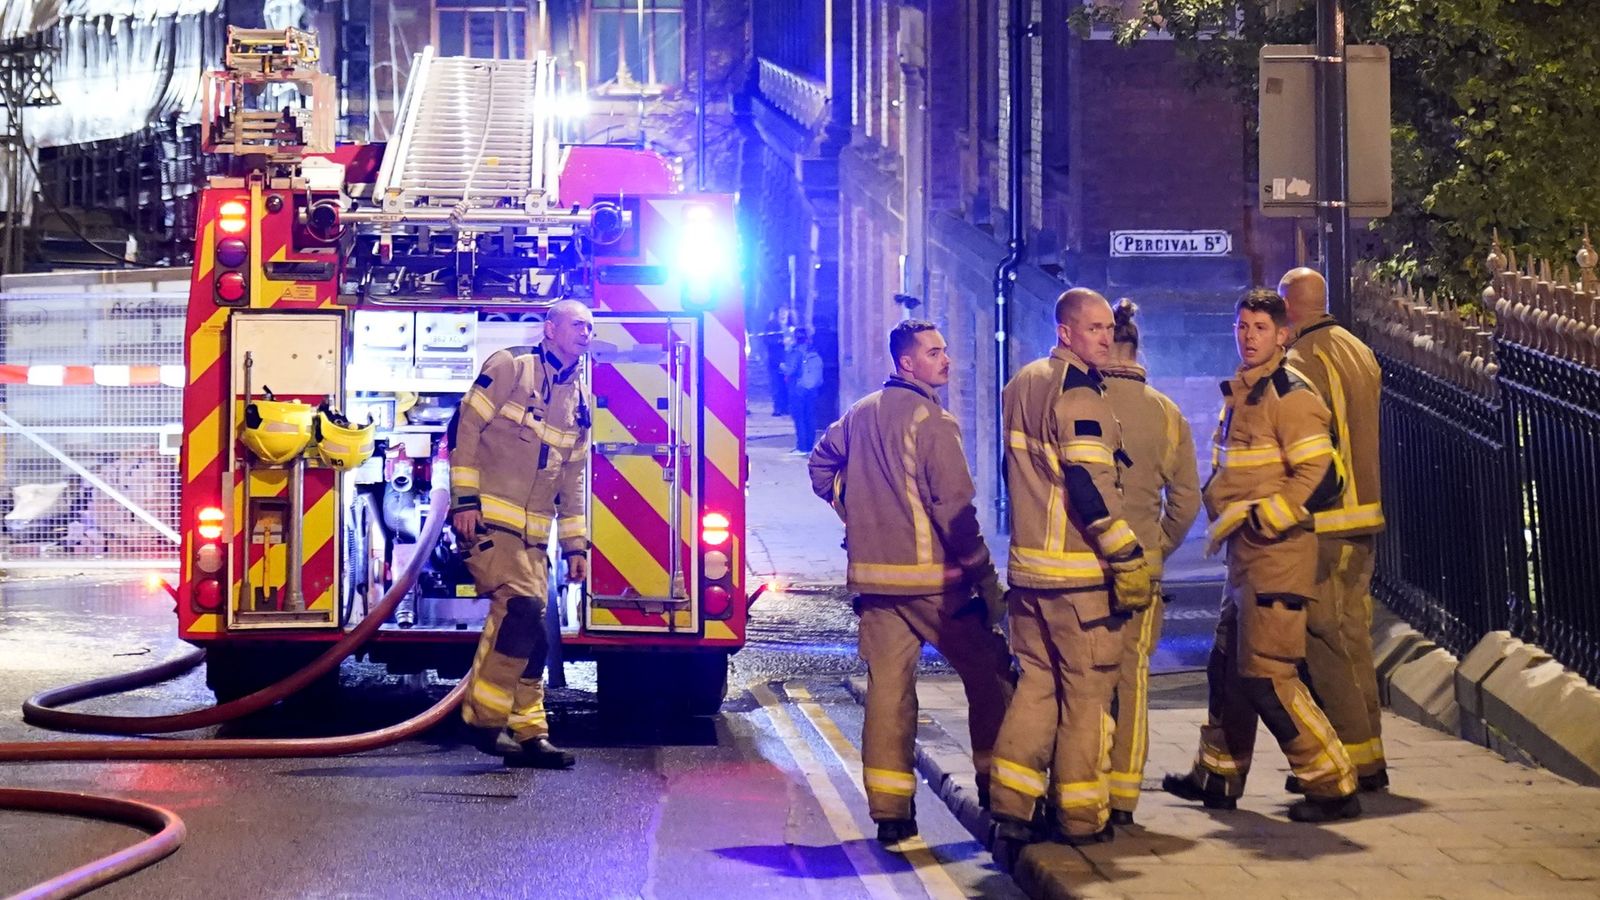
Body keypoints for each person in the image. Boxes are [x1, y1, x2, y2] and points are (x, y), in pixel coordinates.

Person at [808, 319, 1013, 846]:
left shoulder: (861, 412)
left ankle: (891, 813)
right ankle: (997, 788)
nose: (946, 360)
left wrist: (852, 510)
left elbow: (820, 466)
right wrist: (984, 576)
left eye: (945, 350)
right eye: (934, 352)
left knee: (888, 691)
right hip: (934, 584)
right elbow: (956, 512)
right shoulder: (934, 422)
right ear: (907, 363)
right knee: (989, 672)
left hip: (875, 584)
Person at [1162, 290, 1360, 822]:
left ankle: (1332, 785)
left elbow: (1323, 475)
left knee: (1268, 676)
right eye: (1243, 326)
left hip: (1278, 555)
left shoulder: (1290, 395)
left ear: (1283, 335)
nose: (1249, 336)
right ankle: (1217, 775)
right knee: (1227, 667)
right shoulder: (1246, 392)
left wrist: (1266, 515)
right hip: (1246, 556)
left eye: (1260, 328)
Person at [989, 288, 1156, 853]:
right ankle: (1082, 818)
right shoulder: (1080, 392)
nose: (1106, 338)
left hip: (1029, 574)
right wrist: (1125, 555)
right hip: (1079, 576)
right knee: (1087, 695)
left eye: (1109, 328)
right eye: (1094, 328)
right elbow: (1089, 487)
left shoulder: (1022, 384)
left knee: (1037, 686)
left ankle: (1011, 807)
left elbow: (1015, 472)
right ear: (1065, 332)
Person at [449, 299, 593, 769]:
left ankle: (530, 733)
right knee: (521, 610)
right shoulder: (511, 366)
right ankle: (484, 720)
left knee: (535, 634)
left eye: (590, 327)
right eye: (577, 324)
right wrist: (464, 501)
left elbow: (573, 481)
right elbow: (466, 428)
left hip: (533, 537)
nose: (586, 333)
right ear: (550, 329)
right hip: (488, 521)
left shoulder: (578, 400)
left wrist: (574, 545)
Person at [1281, 267, 1389, 792]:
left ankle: (1349, 760)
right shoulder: (1358, 350)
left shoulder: (1300, 360)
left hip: (1326, 523)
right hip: (1365, 515)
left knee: (1327, 644)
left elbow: (1310, 451)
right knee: (1354, 637)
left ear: (1289, 306)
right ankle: (1369, 754)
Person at [1099, 299, 1202, 826]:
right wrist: (1157, 544)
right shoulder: (1166, 413)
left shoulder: (1077, 401)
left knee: (1084, 678)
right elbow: (1186, 500)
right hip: (1143, 567)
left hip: (1086, 565)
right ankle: (1123, 796)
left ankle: (1082, 785)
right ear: (1137, 350)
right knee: (1132, 676)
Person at [784, 327, 824, 454]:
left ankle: (801, 446)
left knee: (799, 417)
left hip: (798, 388)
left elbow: (791, 370)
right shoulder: (813, 350)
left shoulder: (795, 352)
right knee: (810, 416)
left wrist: (782, 366)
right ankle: (809, 446)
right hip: (812, 388)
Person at [762, 302, 797, 416]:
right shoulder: (771, 325)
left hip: (790, 359)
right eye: (781, 311)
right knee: (776, 384)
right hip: (776, 360)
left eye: (785, 311)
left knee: (788, 385)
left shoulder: (792, 326)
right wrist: (780, 341)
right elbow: (767, 340)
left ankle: (786, 407)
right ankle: (777, 407)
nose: (784, 313)